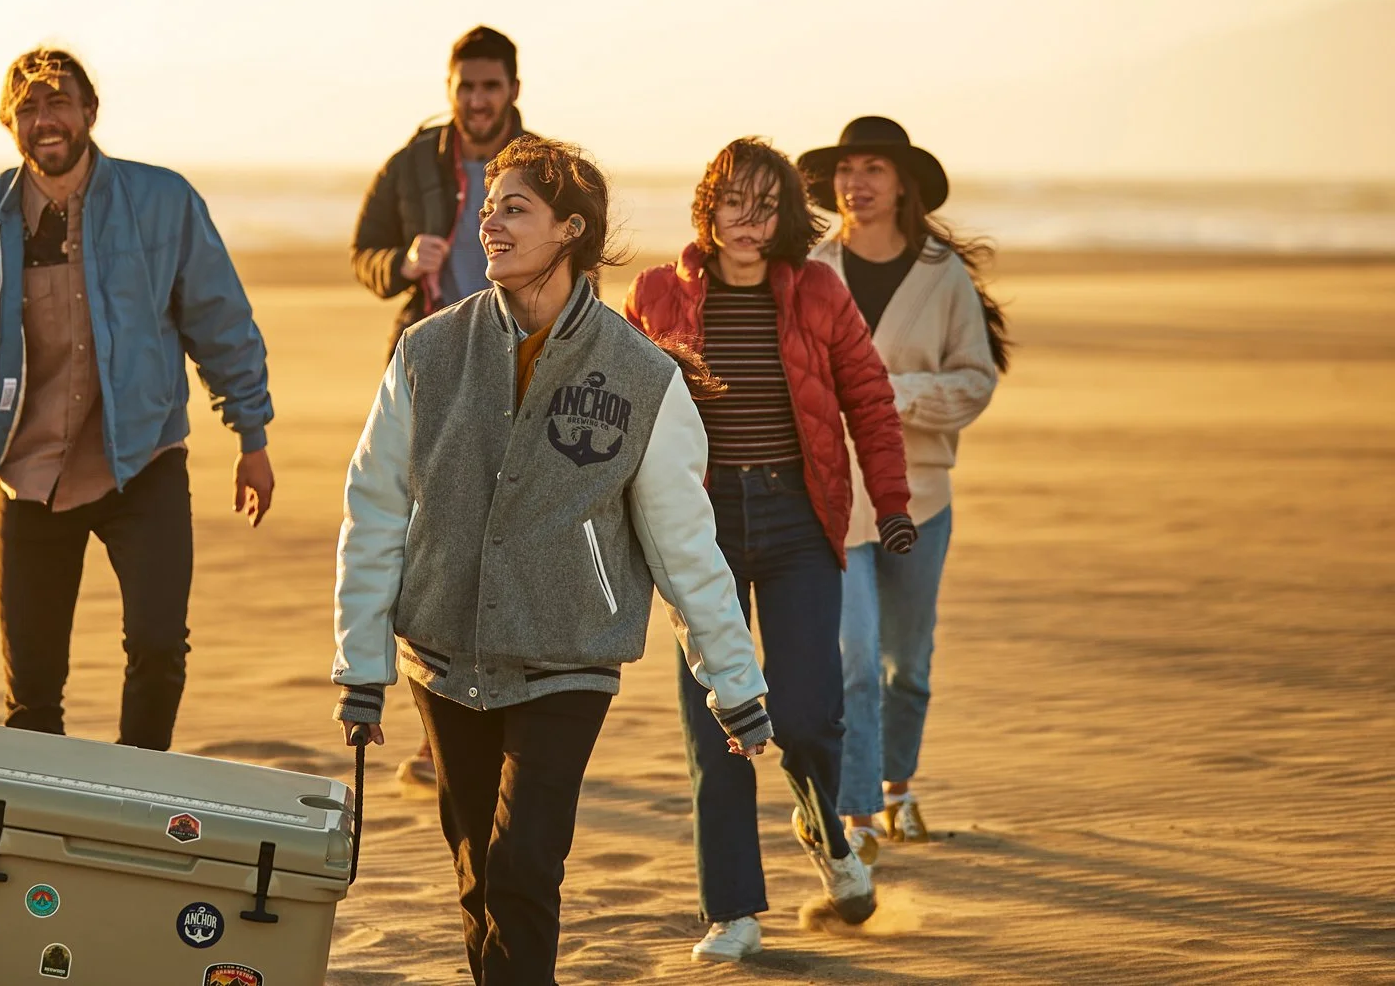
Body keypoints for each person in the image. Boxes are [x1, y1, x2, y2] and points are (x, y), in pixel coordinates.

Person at [333, 136, 772, 986]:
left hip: (568, 655)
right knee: (476, 875)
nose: (488, 223)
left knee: (525, 866)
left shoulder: (642, 376)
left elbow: (685, 543)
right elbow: (376, 504)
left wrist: (735, 682)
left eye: (514, 208)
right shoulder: (428, 351)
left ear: (570, 229)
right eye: (489, 206)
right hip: (443, 655)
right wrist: (362, 664)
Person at [623, 137, 916, 961]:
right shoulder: (655, 294)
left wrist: (889, 502)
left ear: (786, 215)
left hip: (797, 521)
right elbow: (612, 407)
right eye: (732, 204)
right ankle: (733, 912)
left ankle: (826, 837)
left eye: (765, 206)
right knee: (718, 721)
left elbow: (869, 396)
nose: (747, 222)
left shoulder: (818, 291)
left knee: (807, 713)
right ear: (706, 209)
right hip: (697, 531)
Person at [0, 47, 274, 751]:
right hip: (27, 474)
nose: (45, 118)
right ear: (8, 123)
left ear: (89, 111)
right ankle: (37, 825)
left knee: (157, 647)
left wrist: (252, 436)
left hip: (140, 461)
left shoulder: (162, 201)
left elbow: (220, 320)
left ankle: (140, 790)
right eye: (28, 107)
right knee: (31, 688)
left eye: (59, 101)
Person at [798, 117, 1008, 856]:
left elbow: (975, 382)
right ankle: (856, 820)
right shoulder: (810, 269)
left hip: (921, 498)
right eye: (847, 169)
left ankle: (898, 790)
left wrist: (891, 391)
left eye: (874, 169)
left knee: (906, 667)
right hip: (834, 500)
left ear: (902, 183)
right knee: (853, 660)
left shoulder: (943, 273)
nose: (856, 183)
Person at [350, 24, 537, 789]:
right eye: (466, 86)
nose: (478, 99)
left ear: (513, 91)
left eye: (491, 86)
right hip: (433, 364)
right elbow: (363, 253)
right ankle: (441, 730)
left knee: (510, 544)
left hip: (524, 363)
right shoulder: (410, 164)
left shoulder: (542, 167)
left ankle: (510, 716)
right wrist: (400, 262)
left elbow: (582, 254)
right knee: (432, 546)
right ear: (451, 87)